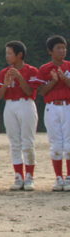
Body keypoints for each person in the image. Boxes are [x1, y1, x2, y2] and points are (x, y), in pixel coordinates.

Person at [0, 40, 41, 191]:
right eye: (6, 53)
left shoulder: (31, 70)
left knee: (28, 142)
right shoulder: (4, 72)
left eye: (9, 53)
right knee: (14, 143)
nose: (7, 56)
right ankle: (19, 176)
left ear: (19, 54)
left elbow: (30, 91)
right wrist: (6, 84)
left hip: (26, 103)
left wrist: (20, 77)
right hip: (10, 105)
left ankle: (30, 177)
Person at [36, 35, 70, 192]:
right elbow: (42, 91)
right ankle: (59, 178)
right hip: (52, 107)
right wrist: (54, 81)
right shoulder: (45, 69)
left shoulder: (68, 66)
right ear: (50, 51)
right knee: (56, 144)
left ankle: (68, 177)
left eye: (64, 48)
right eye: (58, 48)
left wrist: (65, 79)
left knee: (69, 144)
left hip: (67, 106)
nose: (62, 51)